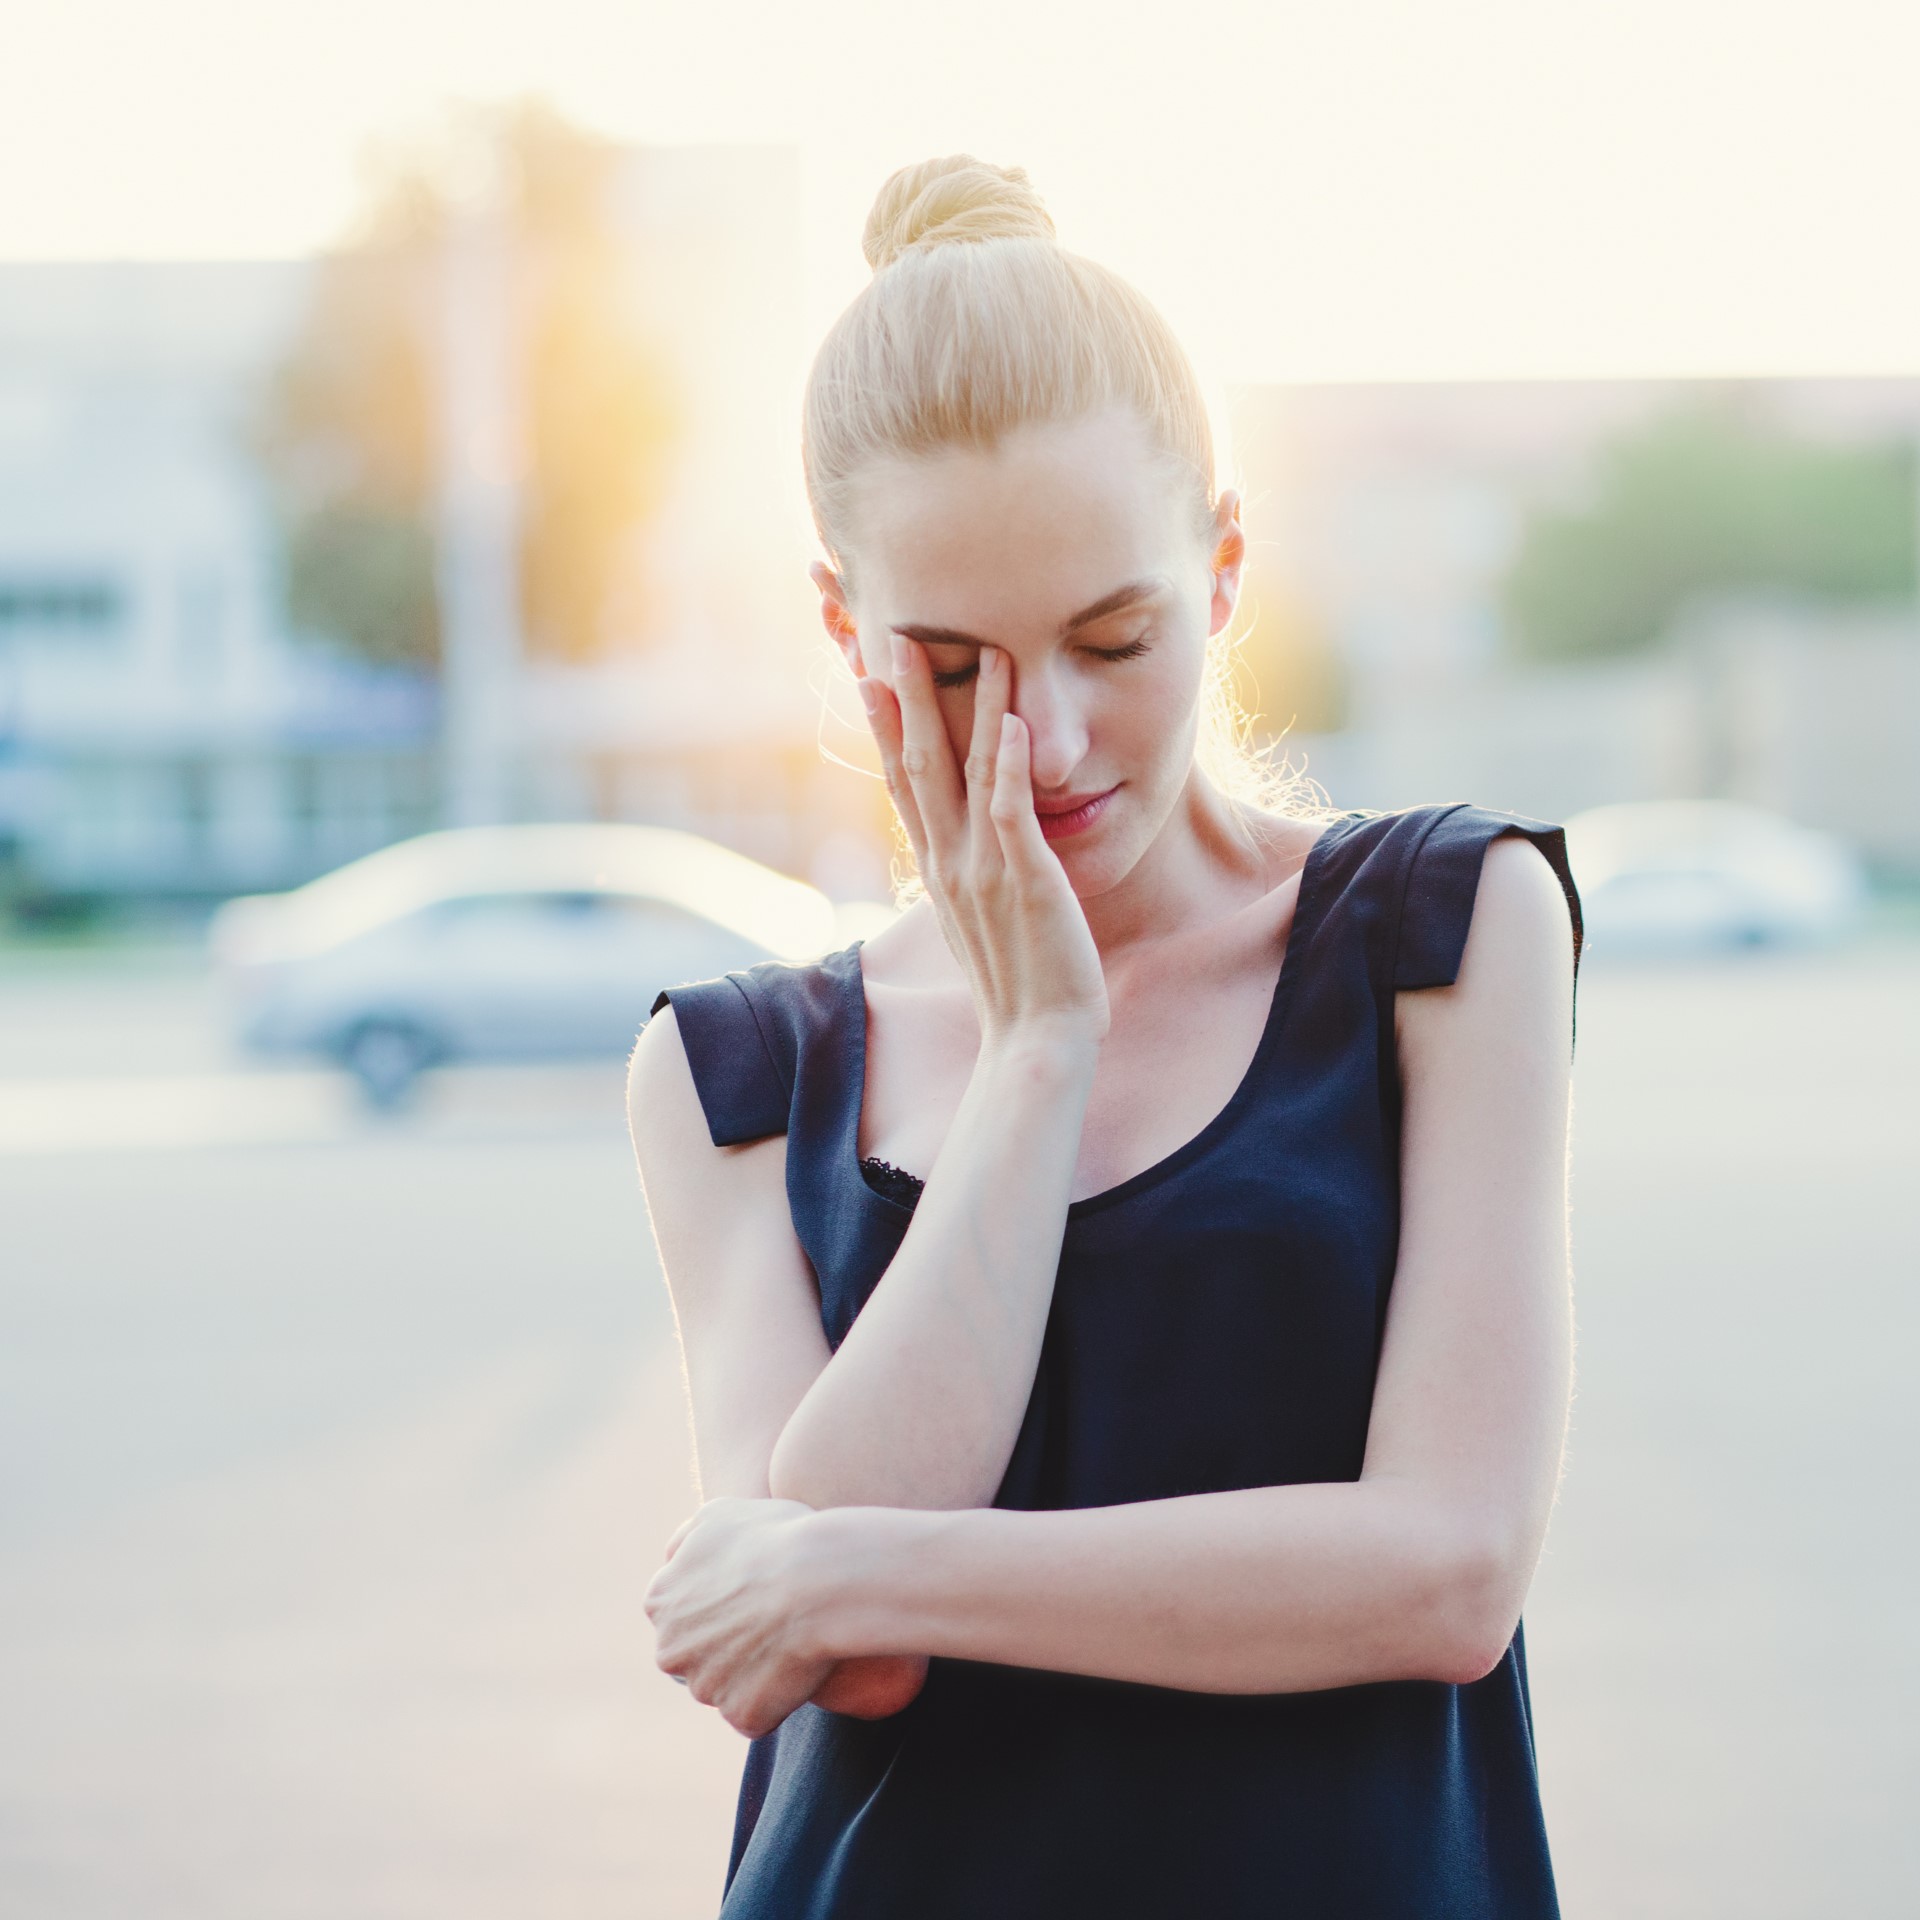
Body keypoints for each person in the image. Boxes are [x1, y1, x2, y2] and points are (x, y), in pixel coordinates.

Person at [628, 154, 1583, 1918]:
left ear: (1222, 572)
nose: (1046, 739)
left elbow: (1446, 1575)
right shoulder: (734, 1077)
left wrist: (859, 1570)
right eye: (954, 666)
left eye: (1111, 637)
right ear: (844, 631)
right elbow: (848, 1667)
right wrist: (1038, 1048)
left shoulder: (1442, 939)